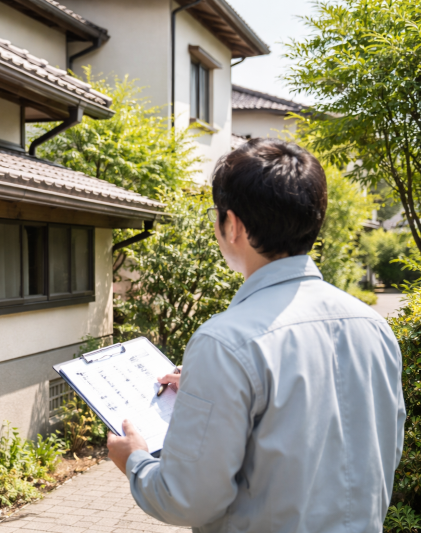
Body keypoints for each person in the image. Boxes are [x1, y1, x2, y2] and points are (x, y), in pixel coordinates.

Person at [107, 138, 405, 532]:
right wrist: (211, 388)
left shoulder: (224, 342)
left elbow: (186, 499)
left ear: (232, 225)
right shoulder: (373, 325)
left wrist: (134, 459)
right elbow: (382, 448)